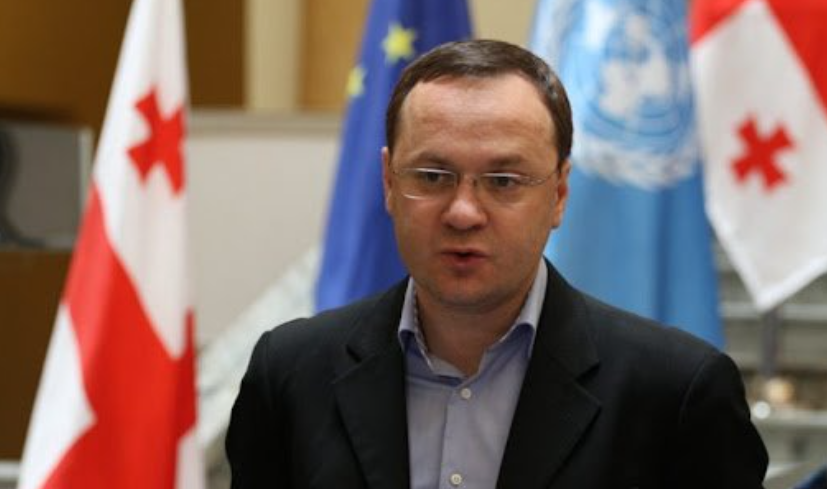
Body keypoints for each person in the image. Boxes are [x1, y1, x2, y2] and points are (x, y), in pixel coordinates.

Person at [226, 39, 768, 489]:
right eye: (432, 176)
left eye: (504, 181)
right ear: (389, 182)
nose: (463, 212)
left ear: (559, 194)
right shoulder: (291, 375)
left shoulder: (676, 393)